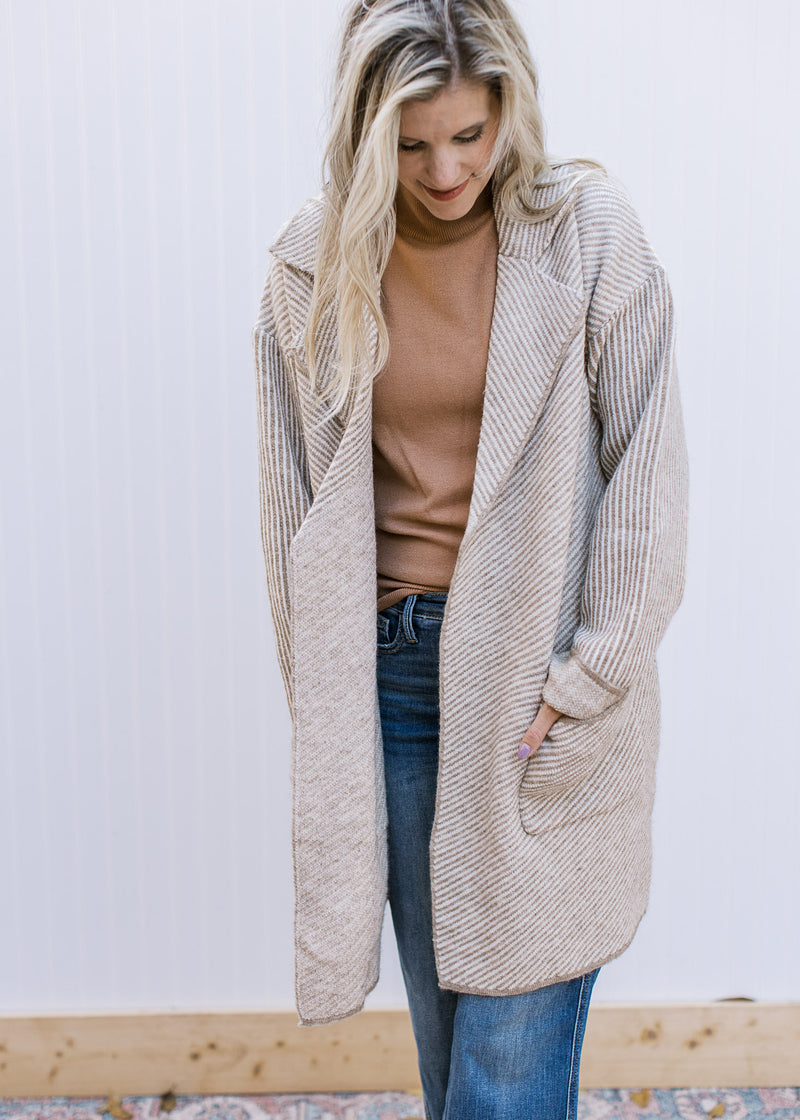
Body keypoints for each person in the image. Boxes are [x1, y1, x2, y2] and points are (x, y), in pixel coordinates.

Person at [252, 0, 689, 1116]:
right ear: (363, 133)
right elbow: (291, 517)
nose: (444, 169)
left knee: (504, 1079)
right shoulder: (309, 272)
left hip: (536, 687)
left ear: (509, 110)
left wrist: (584, 681)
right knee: (454, 1062)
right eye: (409, 144)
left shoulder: (590, 235)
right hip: (394, 687)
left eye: (468, 133)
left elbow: (648, 473)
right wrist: (328, 712)